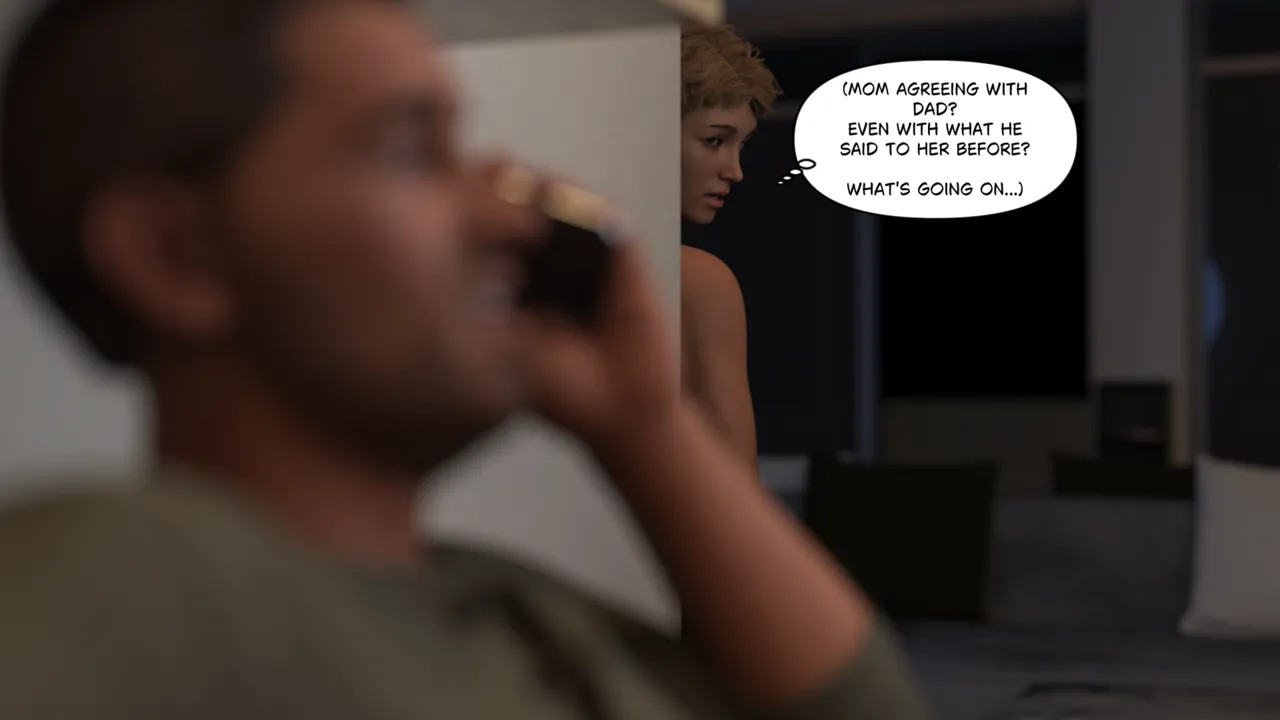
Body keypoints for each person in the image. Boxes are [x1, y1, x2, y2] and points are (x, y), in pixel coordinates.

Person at [0, 1, 930, 718]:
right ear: (177, 255)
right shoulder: (129, 574)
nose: (510, 209)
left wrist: (645, 426)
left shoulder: (521, 610)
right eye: (414, 150)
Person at [680, 24, 780, 475]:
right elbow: (737, 481)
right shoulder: (700, 281)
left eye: (740, 145)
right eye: (714, 141)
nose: (735, 171)